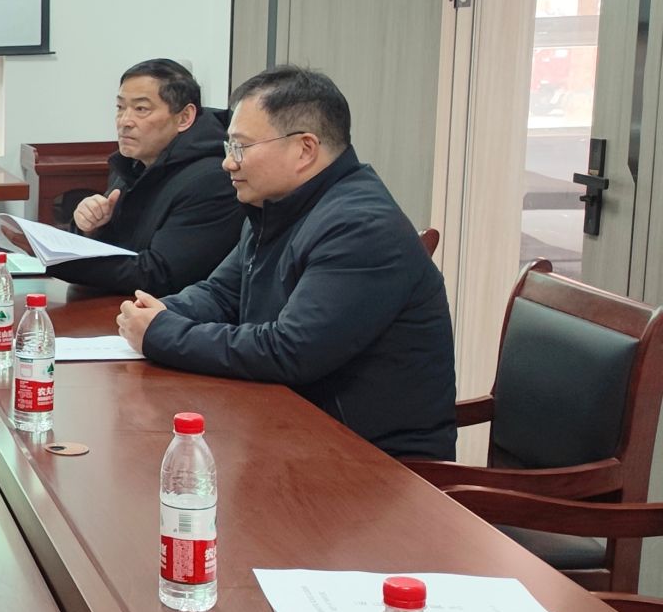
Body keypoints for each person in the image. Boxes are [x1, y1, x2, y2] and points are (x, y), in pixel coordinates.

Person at [117, 65, 457, 459]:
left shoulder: (360, 226)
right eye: (229, 147)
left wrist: (162, 333)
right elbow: (222, 294)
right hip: (294, 431)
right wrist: (158, 311)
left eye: (241, 147)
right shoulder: (276, 206)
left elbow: (291, 351)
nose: (228, 163)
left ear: (305, 149)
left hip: (375, 462)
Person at [49, 59, 244, 296]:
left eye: (141, 109)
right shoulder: (132, 164)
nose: (125, 121)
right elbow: (118, 248)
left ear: (184, 117)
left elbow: (159, 274)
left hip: (172, 312)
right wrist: (89, 228)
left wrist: (60, 259)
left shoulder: (212, 180)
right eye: (120, 107)